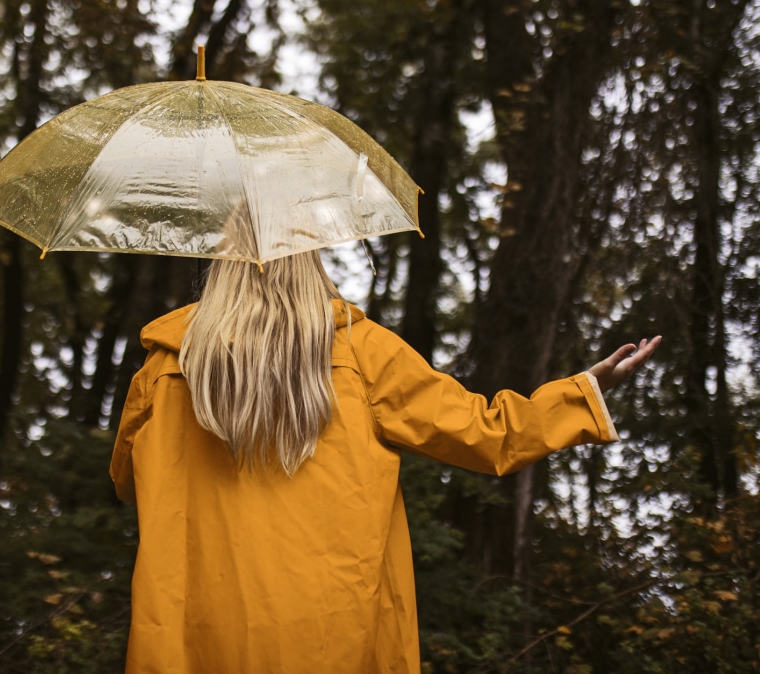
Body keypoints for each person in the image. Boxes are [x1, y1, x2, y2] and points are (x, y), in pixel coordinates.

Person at [110, 251, 660, 674]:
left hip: (196, 634)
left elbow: (129, 480)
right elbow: (488, 435)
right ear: (310, 260)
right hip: (334, 635)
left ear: (221, 264)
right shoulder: (361, 352)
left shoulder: (165, 368)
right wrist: (584, 390)